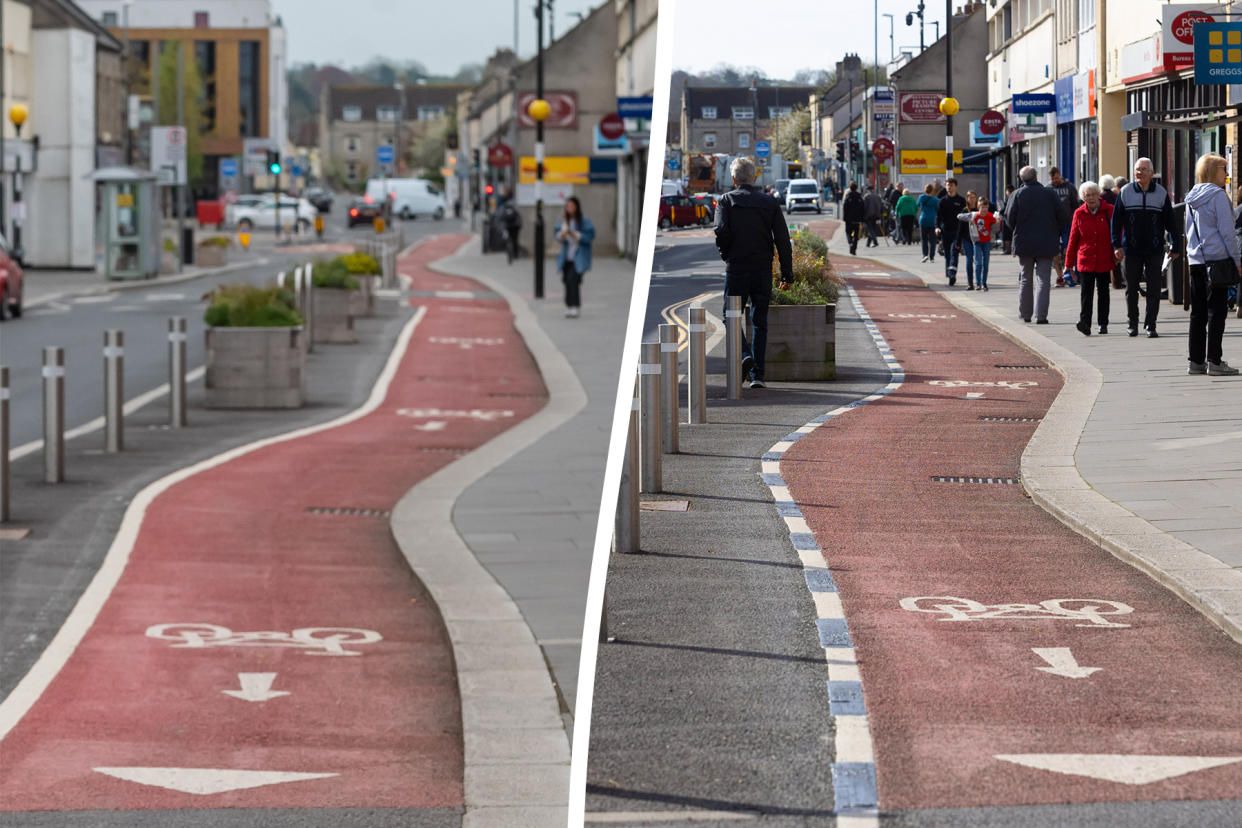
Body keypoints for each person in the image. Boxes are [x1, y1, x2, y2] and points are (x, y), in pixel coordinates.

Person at [713, 156, 792, 389]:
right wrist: (787, 273)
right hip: (762, 268)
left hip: (737, 267)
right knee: (760, 321)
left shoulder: (726, 201)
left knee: (730, 316)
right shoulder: (769, 203)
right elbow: (782, 240)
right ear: (755, 177)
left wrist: (726, 254)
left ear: (734, 178)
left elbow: (721, 231)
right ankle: (758, 375)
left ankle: (744, 354)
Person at [1183, 153, 1240, 375]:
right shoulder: (1218, 196)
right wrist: (1237, 261)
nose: (1226, 174)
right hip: (1217, 260)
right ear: (1212, 171)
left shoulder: (1191, 197)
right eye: (1223, 169)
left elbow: (1188, 231)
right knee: (1217, 312)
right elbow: (1228, 233)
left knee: (1197, 313)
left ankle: (1195, 362)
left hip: (1196, 261)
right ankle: (1215, 361)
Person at [1111, 157, 1180, 338]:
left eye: (1143, 169)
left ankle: (1151, 324)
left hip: (1154, 249)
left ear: (1151, 173)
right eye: (1137, 169)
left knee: (1154, 288)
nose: (1139, 172)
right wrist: (1116, 245)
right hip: (1131, 250)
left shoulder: (1161, 193)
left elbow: (1171, 222)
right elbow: (1116, 221)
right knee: (1131, 288)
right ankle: (1132, 323)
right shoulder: (1125, 192)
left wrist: (1176, 245)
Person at [1006, 165, 1069, 324]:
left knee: (1026, 278)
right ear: (1036, 177)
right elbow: (1062, 215)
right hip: (1046, 242)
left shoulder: (1017, 194)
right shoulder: (1049, 193)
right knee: (1043, 278)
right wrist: (1055, 231)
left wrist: (1018, 230)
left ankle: (1026, 314)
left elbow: (1009, 218)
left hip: (1024, 242)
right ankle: (1041, 316)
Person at [1063, 181, 1114, 336]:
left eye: (1093, 194)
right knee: (1086, 293)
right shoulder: (1079, 213)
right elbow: (1073, 240)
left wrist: (1118, 250)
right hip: (1085, 259)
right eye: (1087, 195)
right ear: (1083, 197)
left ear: (1099, 195)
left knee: (1104, 292)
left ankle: (1103, 323)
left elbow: (1117, 233)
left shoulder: (1109, 210)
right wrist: (1068, 264)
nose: (1091, 198)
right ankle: (1085, 323)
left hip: (1104, 257)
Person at [554, 196, 594, 318]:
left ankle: (575, 306)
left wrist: (575, 234)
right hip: (566, 258)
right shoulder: (563, 221)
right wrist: (562, 235)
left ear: (576, 207)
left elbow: (589, 236)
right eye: (568, 206)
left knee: (573, 281)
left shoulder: (584, 221)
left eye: (572, 206)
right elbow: (557, 235)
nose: (569, 208)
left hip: (579, 257)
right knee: (566, 281)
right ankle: (569, 306)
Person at [957, 196, 999, 291]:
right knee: (978, 263)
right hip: (977, 242)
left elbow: (996, 229)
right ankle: (978, 283)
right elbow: (959, 216)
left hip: (987, 242)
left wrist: (997, 221)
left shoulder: (989, 216)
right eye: (982, 207)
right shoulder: (974, 215)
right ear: (978, 207)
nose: (984, 209)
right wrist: (970, 219)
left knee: (986, 263)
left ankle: (984, 283)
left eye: (986, 207)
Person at [1048, 167, 1080, 286]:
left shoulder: (1069, 187)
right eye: (1052, 179)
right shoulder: (1048, 189)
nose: (1055, 181)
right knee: (1055, 253)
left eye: (1056, 178)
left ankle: (1069, 274)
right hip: (1054, 225)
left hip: (1068, 224)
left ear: (1060, 175)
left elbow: (1075, 205)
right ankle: (1060, 277)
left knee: (1068, 250)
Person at [936, 178, 967, 284]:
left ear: (955, 187)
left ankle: (952, 273)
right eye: (947, 185)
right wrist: (937, 227)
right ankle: (949, 274)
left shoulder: (961, 201)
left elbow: (965, 216)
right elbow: (939, 216)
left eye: (951, 185)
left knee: (954, 252)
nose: (949, 187)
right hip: (945, 231)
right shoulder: (942, 201)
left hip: (957, 232)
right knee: (947, 254)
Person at [959, 191, 978, 286]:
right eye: (970, 197)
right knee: (969, 259)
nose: (972, 199)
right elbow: (960, 227)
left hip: (978, 239)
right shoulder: (965, 211)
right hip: (967, 239)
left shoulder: (980, 209)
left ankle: (979, 281)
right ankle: (970, 282)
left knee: (979, 261)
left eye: (974, 197)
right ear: (967, 199)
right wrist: (958, 242)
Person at [917, 183, 940, 262]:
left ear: (925, 190)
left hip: (923, 220)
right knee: (932, 240)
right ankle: (932, 257)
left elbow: (918, 205)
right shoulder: (936, 200)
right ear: (932, 190)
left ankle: (925, 255)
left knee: (924, 239)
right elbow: (938, 210)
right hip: (933, 221)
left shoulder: (921, 197)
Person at [842, 182, 865, 255]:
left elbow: (845, 208)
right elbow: (862, 208)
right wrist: (862, 219)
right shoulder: (859, 197)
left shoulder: (848, 196)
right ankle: (854, 248)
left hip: (849, 219)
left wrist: (844, 218)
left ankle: (850, 242)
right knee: (856, 234)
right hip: (857, 219)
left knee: (848, 232)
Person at [500, 189, 522, 263]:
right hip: (515, 225)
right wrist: (519, 224)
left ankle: (509, 252)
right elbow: (519, 214)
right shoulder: (515, 203)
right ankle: (515, 254)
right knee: (515, 239)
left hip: (507, 225)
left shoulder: (504, 204)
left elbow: (501, 216)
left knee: (508, 239)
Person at [999, 184, 1017, 255]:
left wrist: (1000, 211)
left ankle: (1007, 249)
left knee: (1006, 235)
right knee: (1011, 234)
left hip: (1007, 219)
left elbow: (1006, 208)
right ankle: (1010, 249)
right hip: (1013, 219)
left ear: (1007, 191)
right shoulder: (1015, 196)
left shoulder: (1010, 198)